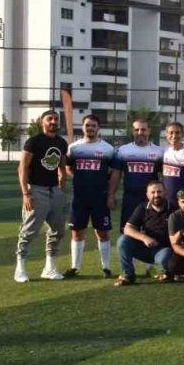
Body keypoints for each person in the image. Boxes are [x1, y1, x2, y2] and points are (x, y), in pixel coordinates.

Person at [14, 110, 69, 283]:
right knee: (29, 232)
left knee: (58, 231)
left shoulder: (61, 142)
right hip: (36, 190)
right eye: (50, 119)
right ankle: (20, 269)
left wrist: (60, 187)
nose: (53, 122)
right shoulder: (33, 142)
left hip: (54, 191)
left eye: (56, 119)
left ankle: (49, 268)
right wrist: (25, 193)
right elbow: (22, 168)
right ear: (41, 122)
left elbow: (62, 167)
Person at [65, 113, 116, 277]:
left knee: (102, 232)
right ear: (83, 127)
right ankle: (75, 267)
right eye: (87, 125)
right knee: (77, 232)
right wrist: (81, 179)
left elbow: (113, 172)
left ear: (98, 128)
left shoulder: (107, 149)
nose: (90, 128)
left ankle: (106, 267)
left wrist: (110, 194)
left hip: (100, 197)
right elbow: (68, 167)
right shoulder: (74, 148)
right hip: (79, 197)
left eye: (93, 125)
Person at [114, 180, 173, 287]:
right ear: (147, 195)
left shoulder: (173, 208)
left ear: (165, 192)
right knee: (122, 241)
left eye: (159, 192)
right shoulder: (142, 207)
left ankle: (167, 272)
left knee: (165, 258)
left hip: (164, 249)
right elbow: (127, 228)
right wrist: (144, 238)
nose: (156, 195)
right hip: (145, 248)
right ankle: (128, 275)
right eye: (153, 192)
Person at [111, 118, 164, 231]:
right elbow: (116, 174)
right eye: (137, 130)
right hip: (130, 199)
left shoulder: (159, 152)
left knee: (151, 231)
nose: (140, 132)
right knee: (127, 231)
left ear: (149, 131)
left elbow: (165, 176)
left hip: (152, 199)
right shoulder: (123, 150)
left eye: (143, 129)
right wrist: (111, 195)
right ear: (132, 131)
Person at [160, 121, 184, 208]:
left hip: (183, 201)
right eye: (171, 133)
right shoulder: (164, 151)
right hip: (166, 200)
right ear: (166, 135)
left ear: (182, 134)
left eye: (177, 133)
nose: (174, 136)